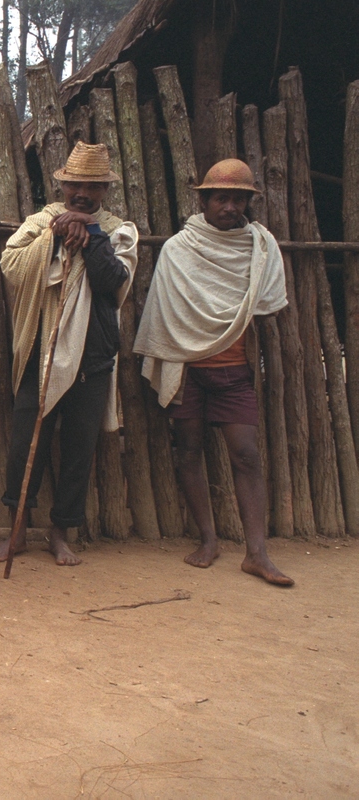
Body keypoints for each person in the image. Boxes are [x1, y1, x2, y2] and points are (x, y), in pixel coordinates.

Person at [134, 159, 293, 586]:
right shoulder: (178, 249)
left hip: (235, 371)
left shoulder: (260, 248)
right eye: (221, 197)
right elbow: (163, 316)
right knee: (187, 451)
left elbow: (264, 311)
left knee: (246, 454)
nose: (230, 206)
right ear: (203, 200)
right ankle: (208, 540)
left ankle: (257, 553)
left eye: (238, 198)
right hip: (187, 372)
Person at [0, 141, 138, 567]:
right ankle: (16, 531)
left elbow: (113, 283)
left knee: (78, 446)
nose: (83, 195)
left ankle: (61, 533)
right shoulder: (40, 221)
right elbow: (12, 264)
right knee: (25, 441)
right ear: (64, 185)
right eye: (76, 186)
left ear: (104, 190)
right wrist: (54, 235)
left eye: (93, 187)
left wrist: (89, 234)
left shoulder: (118, 229)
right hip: (41, 348)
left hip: (93, 355)